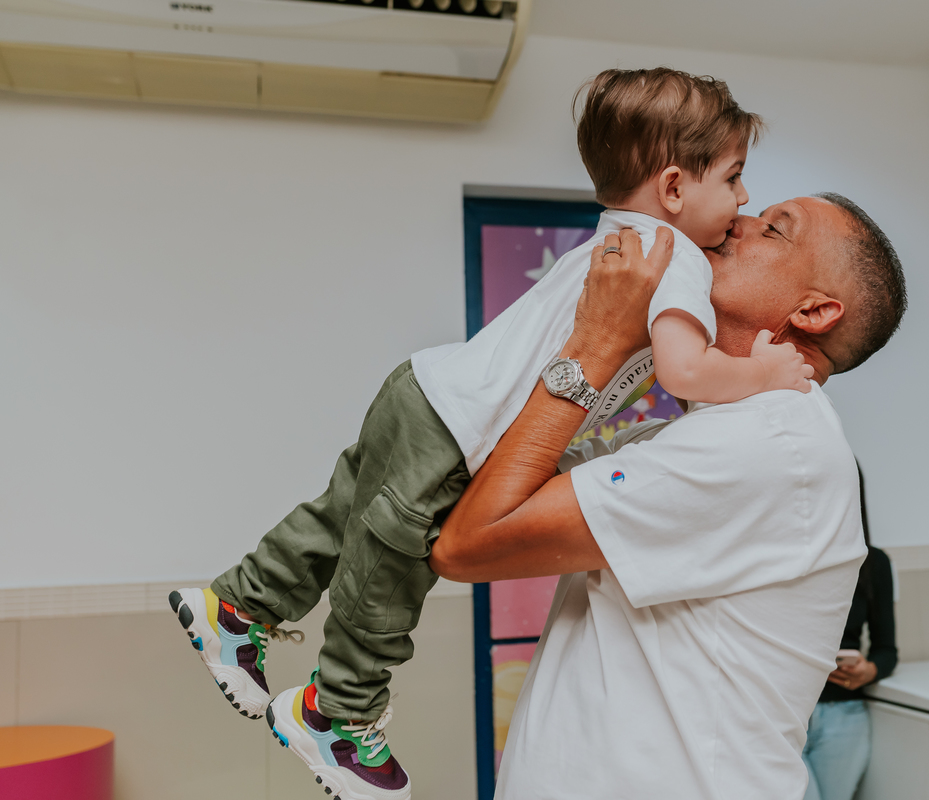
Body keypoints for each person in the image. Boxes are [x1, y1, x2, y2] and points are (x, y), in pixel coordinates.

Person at [166, 67, 812, 800]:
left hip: (424, 391)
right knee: (390, 574)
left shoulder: (618, 237)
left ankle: (237, 605)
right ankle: (336, 714)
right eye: (733, 179)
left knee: (339, 519)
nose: (744, 199)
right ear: (673, 188)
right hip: (457, 431)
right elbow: (686, 370)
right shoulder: (678, 261)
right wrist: (762, 375)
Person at [430, 193, 908, 799]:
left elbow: (468, 545)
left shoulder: (766, 440)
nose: (736, 221)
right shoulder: (693, 434)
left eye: (773, 231)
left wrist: (600, 342)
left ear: (813, 311)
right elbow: (484, 483)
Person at [801, 464, 897, 800]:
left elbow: (887, 651)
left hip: (845, 715)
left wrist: (867, 670)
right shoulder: (780, 562)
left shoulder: (874, 564)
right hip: (787, 712)